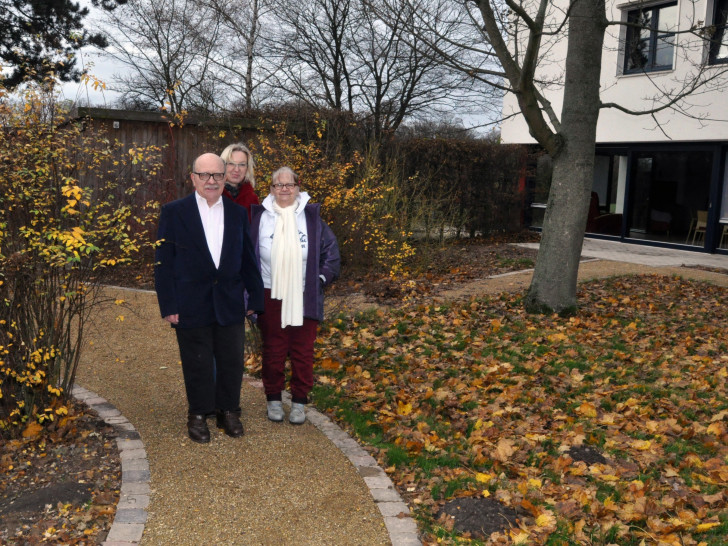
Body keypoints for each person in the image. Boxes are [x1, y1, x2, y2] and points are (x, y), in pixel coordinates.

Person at [154, 152, 264, 444]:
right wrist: (169, 304)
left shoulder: (238, 213)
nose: (211, 181)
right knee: (197, 361)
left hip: (229, 300)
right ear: (193, 179)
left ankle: (229, 411)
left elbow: (248, 259)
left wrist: (255, 297)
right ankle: (199, 414)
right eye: (205, 175)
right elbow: (163, 262)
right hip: (191, 301)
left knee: (230, 360)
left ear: (225, 176)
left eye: (217, 174)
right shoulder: (174, 212)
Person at [249, 167, 340, 425]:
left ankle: (299, 401)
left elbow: (331, 255)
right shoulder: (260, 219)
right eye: (279, 185)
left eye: (289, 184)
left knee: (302, 351)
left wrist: (319, 279)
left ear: (298, 187)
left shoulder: (311, 218)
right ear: (271, 189)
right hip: (270, 293)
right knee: (273, 350)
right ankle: (274, 398)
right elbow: (247, 257)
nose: (285, 189)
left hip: (304, 294)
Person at [220, 142, 259, 220]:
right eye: (231, 163)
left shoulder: (252, 199)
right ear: (222, 165)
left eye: (242, 164)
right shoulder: (210, 194)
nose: (236, 169)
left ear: (247, 168)